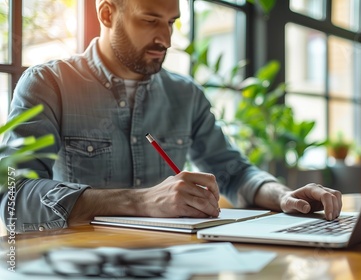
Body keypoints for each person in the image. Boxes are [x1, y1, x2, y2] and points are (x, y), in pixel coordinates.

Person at [0, 0, 342, 233]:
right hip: (80, 265)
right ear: (106, 14)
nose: (165, 38)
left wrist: (283, 196)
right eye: (150, 20)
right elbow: (12, 198)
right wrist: (141, 202)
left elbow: (234, 172)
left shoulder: (186, 95)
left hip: (171, 263)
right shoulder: (48, 84)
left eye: (171, 22)